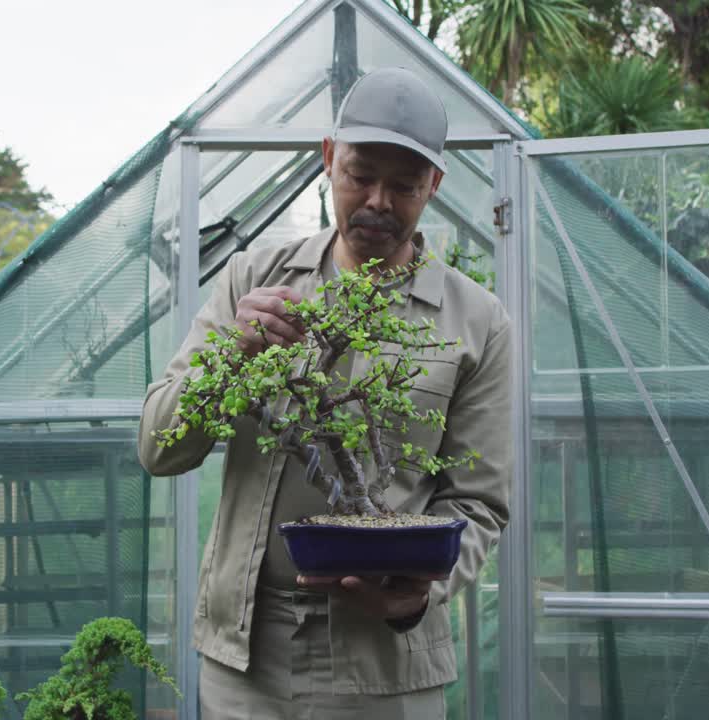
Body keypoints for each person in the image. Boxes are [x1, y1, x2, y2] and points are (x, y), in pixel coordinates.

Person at [138, 66, 513, 719]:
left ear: (435, 186)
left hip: (386, 668)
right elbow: (157, 447)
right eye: (360, 175)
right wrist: (232, 354)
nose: (377, 202)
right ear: (328, 157)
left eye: (404, 186)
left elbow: (480, 503)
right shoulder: (253, 281)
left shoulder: (475, 322)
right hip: (245, 657)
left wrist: (420, 593)